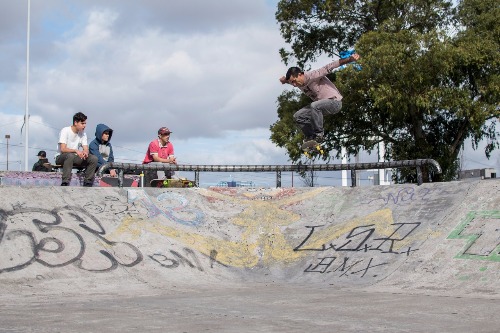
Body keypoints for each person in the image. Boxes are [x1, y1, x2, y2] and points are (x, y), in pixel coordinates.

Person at [279, 53, 360, 144]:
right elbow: (289, 80)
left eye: (294, 81)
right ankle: (311, 137)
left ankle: (319, 135)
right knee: (298, 116)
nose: (294, 85)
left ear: (300, 74)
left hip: (334, 103)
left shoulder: (313, 75)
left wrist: (350, 59)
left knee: (314, 106)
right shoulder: (297, 82)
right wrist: (284, 81)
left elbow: (329, 66)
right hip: (320, 107)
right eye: (292, 83)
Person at [56, 112, 98, 186]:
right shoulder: (65, 130)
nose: (84, 126)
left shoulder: (83, 134)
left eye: (85, 123)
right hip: (61, 157)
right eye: (82, 123)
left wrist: (85, 152)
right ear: (75, 122)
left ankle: (87, 182)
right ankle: (65, 182)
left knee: (93, 158)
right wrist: (76, 150)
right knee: (70, 156)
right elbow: (63, 149)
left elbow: (85, 148)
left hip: (74, 157)